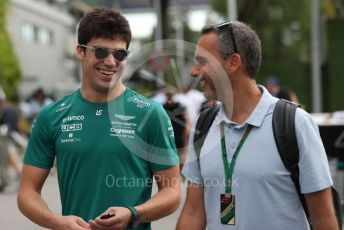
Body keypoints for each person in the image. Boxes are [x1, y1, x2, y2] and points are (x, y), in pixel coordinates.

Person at [17, 8, 181, 230]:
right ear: (80, 51)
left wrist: (133, 214)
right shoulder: (51, 115)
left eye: (120, 54)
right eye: (101, 52)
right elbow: (27, 192)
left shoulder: (150, 114)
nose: (111, 62)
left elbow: (172, 192)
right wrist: (55, 221)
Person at [176, 21, 338, 229]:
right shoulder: (204, 124)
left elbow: (323, 218)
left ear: (233, 63)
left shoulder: (295, 123)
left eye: (203, 61)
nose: (193, 71)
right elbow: (193, 213)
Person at [163, 91, 191, 169]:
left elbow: (186, 118)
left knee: (181, 151)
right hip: (170, 132)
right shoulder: (164, 106)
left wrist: (187, 129)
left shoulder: (179, 105)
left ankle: (182, 168)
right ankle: (175, 168)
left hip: (180, 131)